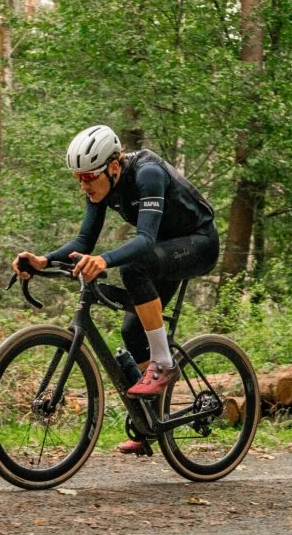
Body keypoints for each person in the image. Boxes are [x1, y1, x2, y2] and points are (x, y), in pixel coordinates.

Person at [13, 125, 218, 450]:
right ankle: (152, 424)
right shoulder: (99, 188)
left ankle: (164, 363)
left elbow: (145, 240)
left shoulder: (147, 173)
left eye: (88, 177)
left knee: (134, 267)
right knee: (132, 330)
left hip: (199, 244)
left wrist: (104, 260)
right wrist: (43, 260)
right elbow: (83, 241)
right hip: (162, 253)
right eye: (77, 178)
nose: (83, 184)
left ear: (113, 166)